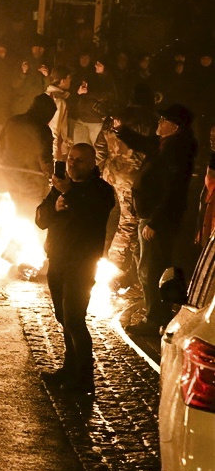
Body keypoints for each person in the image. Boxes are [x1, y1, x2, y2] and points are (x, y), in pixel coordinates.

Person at [35, 143, 116, 394]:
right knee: (63, 318)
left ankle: (84, 379)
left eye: (79, 160)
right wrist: (54, 206)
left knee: (74, 319)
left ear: (92, 163)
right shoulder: (59, 187)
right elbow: (40, 219)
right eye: (70, 158)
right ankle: (70, 369)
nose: (72, 163)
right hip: (57, 261)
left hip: (81, 264)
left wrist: (68, 194)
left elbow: (91, 217)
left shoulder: (101, 191)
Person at [114, 103, 198, 334]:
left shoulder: (176, 151)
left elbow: (173, 191)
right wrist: (121, 130)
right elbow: (144, 143)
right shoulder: (165, 144)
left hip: (156, 218)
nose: (158, 123)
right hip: (150, 215)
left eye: (163, 120)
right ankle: (156, 314)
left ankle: (154, 319)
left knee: (150, 269)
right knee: (148, 267)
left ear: (175, 126)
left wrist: (155, 222)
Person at [94, 83, 158, 294]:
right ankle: (114, 268)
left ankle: (120, 261)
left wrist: (102, 168)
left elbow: (100, 147)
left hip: (113, 173)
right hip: (134, 176)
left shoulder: (114, 118)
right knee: (129, 221)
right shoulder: (150, 121)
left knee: (118, 216)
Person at [0, 93, 57, 214]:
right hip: (31, 174)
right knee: (31, 206)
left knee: (17, 202)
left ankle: (17, 227)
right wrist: (50, 175)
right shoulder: (42, 129)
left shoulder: (13, 120)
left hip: (8, 169)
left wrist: (4, 161)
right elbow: (45, 157)